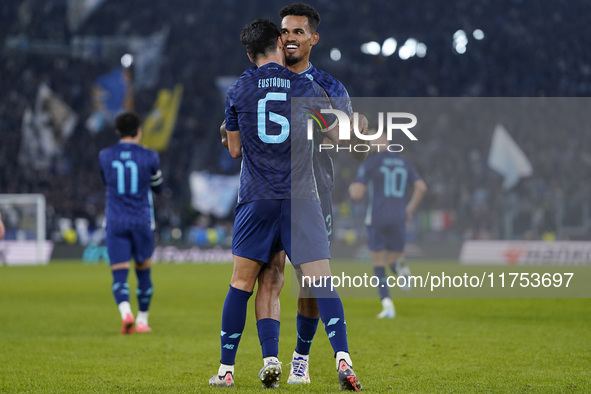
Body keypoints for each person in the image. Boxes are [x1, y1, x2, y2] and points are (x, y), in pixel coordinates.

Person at [209, 18, 362, 391]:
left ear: (249, 53)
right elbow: (339, 135)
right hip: (302, 197)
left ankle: (228, 370)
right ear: (280, 43)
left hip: (257, 197)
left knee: (243, 283)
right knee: (320, 283)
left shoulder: (239, 88)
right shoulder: (306, 86)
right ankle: (343, 358)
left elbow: (234, 149)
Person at [349, 133, 427, 318]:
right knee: (394, 260)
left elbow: (357, 194)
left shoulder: (372, 161)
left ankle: (388, 305)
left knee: (378, 263)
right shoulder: (403, 162)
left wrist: (352, 187)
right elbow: (421, 187)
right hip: (399, 217)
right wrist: (409, 209)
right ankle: (402, 270)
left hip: (377, 217)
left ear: (381, 138)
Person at [98, 111, 163, 334]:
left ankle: (126, 313)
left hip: (116, 221)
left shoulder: (105, 156)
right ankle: (142, 320)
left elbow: (106, 180)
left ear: (117, 131)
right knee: (143, 271)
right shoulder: (150, 156)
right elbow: (158, 186)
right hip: (142, 220)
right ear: (138, 131)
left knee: (119, 274)